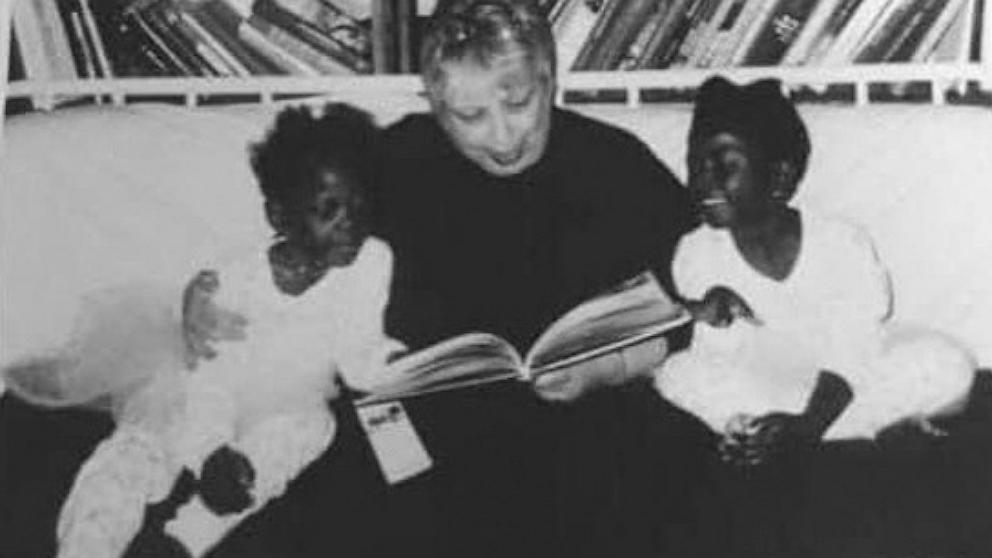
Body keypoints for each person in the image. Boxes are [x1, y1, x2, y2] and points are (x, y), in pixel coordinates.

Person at [50, 103, 403, 558]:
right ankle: (87, 543)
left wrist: (396, 365)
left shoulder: (372, 260)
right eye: (328, 208)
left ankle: (186, 537)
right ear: (280, 215)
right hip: (208, 391)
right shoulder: (234, 276)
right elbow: (207, 377)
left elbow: (359, 352)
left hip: (290, 401)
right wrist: (209, 448)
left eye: (359, 204)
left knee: (310, 429)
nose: (350, 221)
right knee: (134, 454)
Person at [653, 76, 976, 468]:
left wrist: (808, 424)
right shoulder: (696, 252)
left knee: (943, 361)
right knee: (676, 374)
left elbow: (854, 348)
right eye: (695, 165)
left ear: (780, 178)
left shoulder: (841, 242)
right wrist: (705, 315)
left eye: (724, 165)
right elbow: (721, 359)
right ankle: (786, 431)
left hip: (845, 382)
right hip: (768, 383)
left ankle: (777, 436)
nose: (703, 180)